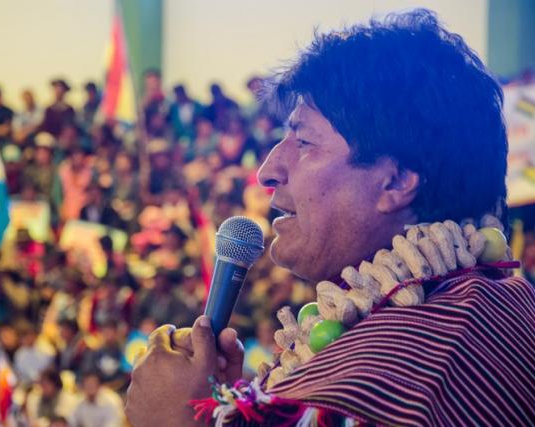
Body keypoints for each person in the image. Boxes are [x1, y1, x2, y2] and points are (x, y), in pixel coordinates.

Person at [125, 9, 535, 427]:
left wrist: (173, 420)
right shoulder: (483, 313)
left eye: (304, 141)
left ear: (396, 181)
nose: (268, 170)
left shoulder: (404, 376)